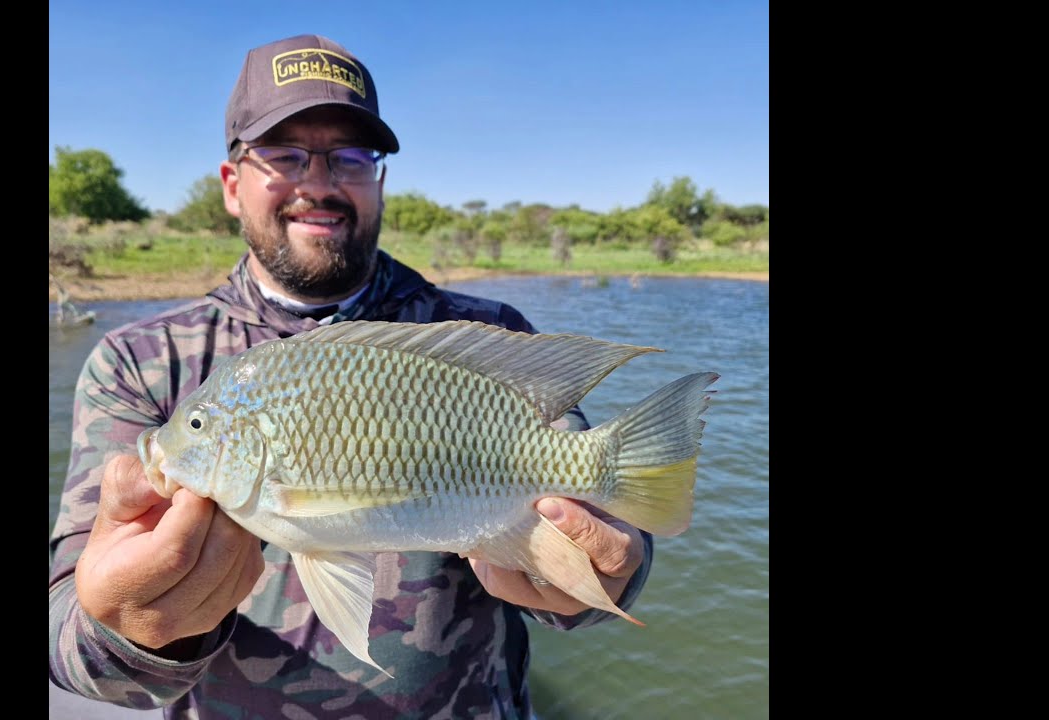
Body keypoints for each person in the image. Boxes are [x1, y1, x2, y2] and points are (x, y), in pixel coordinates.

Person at [48, 33, 653, 720]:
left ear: (380, 178)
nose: (318, 182)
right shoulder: (137, 360)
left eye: (351, 156)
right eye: (283, 154)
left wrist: (607, 571)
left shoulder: (490, 333)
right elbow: (69, 641)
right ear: (230, 183)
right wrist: (123, 630)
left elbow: (599, 549)